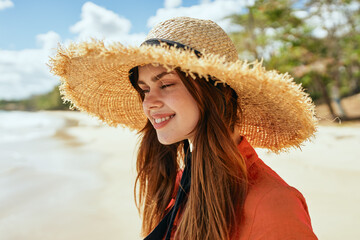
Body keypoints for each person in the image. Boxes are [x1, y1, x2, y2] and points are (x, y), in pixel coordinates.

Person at [50, 17, 318, 239]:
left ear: (217, 93)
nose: (149, 104)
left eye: (165, 85)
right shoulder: (178, 182)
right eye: (144, 90)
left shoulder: (273, 203)